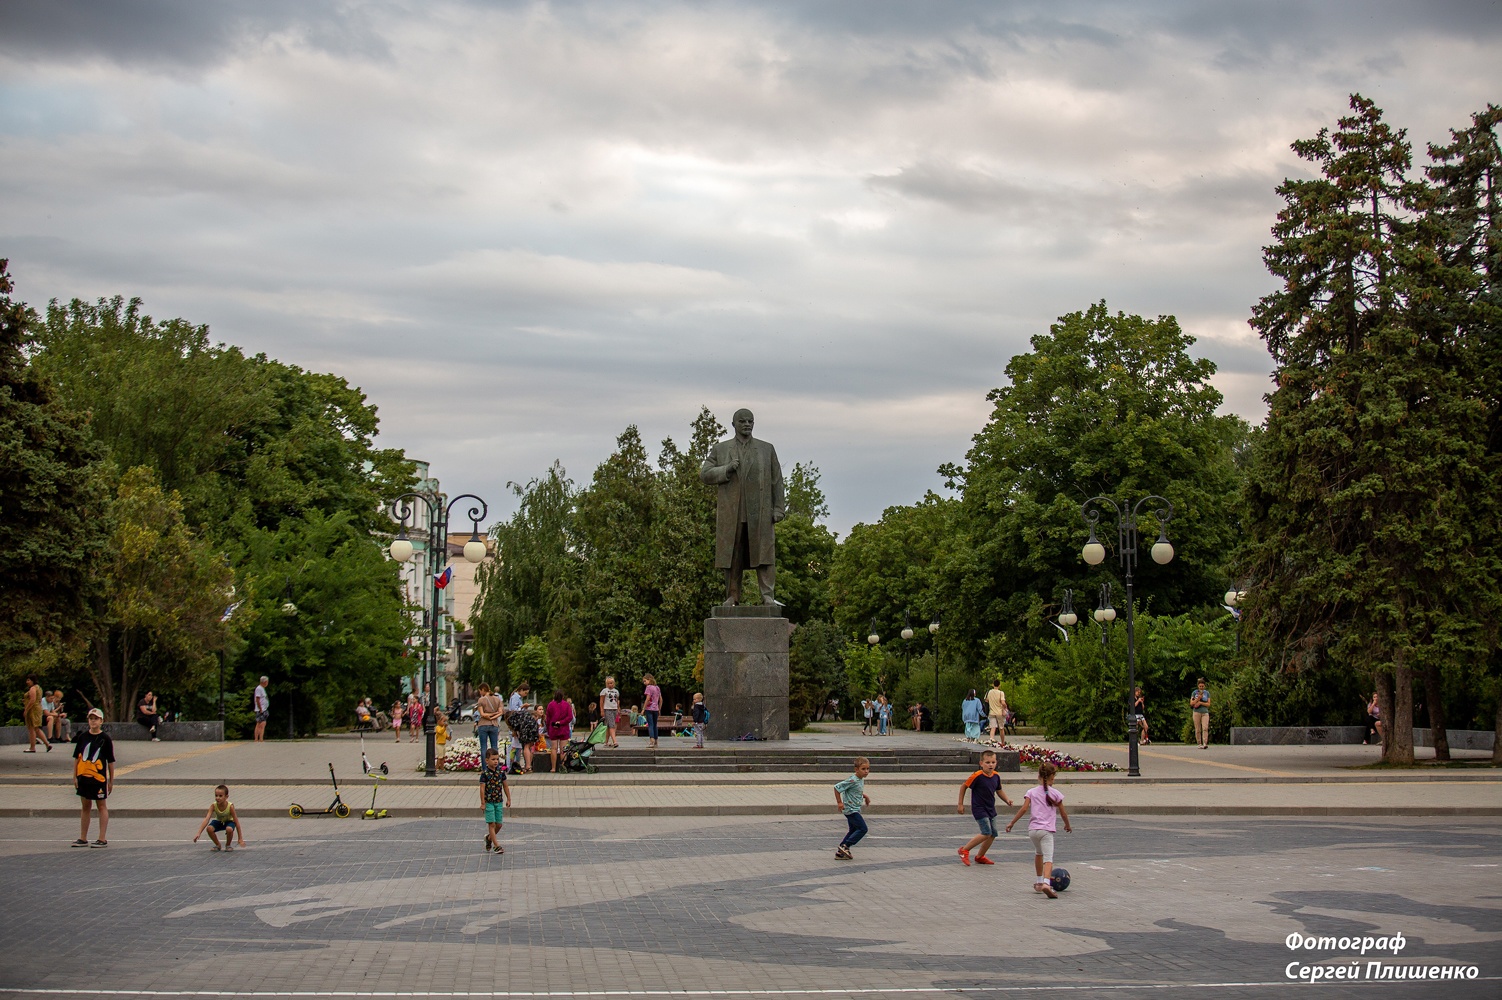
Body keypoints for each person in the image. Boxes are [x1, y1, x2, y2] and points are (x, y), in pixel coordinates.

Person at [699, 408, 786, 606]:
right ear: (734, 425)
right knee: (732, 555)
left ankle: (767, 596)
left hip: (761, 513)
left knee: (764, 554)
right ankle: (733, 595)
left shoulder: (766, 449)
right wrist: (726, 469)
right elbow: (705, 474)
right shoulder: (721, 449)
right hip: (732, 513)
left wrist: (778, 508)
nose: (747, 424)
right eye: (742, 421)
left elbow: (777, 481)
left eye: (750, 421)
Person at [1006, 761, 1071, 897]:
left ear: (1039, 776)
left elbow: (1023, 809)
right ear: (1050, 778)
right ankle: (1047, 883)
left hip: (1033, 831)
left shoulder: (1031, 792)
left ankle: (1039, 881)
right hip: (1046, 831)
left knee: (1038, 853)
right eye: (1053, 779)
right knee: (1048, 858)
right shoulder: (1056, 794)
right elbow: (1063, 813)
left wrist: (1012, 823)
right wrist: (1067, 825)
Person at [957, 750, 1013, 866]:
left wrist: (1007, 800)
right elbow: (964, 786)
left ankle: (980, 856)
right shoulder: (977, 776)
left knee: (993, 834)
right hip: (979, 809)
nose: (990, 765)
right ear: (981, 763)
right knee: (986, 832)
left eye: (993, 762)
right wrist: (960, 804)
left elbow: (999, 790)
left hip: (990, 809)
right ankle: (964, 850)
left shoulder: (996, 776)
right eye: (987, 762)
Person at [72, 708, 114, 847]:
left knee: (101, 805)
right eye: (91, 718)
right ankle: (83, 837)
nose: (93, 721)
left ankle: (102, 838)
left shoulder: (105, 739)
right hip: (84, 777)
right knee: (85, 806)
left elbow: (110, 761)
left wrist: (111, 780)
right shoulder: (83, 737)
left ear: (101, 721)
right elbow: (77, 758)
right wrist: (75, 776)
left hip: (99, 778)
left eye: (96, 718)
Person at [832, 757, 872, 860]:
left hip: (855, 808)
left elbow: (855, 791)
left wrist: (865, 796)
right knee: (863, 829)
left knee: (853, 830)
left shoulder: (860, 780)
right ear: (856, 769)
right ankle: (845, 846)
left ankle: (840, 853)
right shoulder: (852, 780)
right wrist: (839, 802)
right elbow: (837, 788)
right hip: (850, 810)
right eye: (863, 769)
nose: (866, 772)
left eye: (868, 769)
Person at [193, 784, 246, 851]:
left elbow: (236, 822)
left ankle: (228, 845)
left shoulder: (230, 807)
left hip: (229, 822)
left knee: (229, 829)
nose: (218, 798)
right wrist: (199, 833)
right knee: (209, 828)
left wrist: (240, 838)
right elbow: (207, 819)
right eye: (216, 795)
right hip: (219, 821)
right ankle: (218, 845)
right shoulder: (213, 806)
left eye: (220, 796)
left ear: (226, 797)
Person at [478, 747, 512, 853]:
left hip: (498, 801)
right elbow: (482, 789)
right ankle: (496, 845)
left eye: (497, 759)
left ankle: (489, 839)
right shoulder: (485, 774)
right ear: (487, 760)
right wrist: (483, 803)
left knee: (499, 825)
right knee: (491, 824)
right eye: (493, 759)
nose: (496, 761)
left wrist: (508, 799)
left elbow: (505, 786)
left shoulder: (501, 772)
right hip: (489, 802)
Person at [507, 701, 539, 774]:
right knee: (530, 746)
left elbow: (515, 727)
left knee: (526, 746)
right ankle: (529, 765)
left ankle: (527, 766)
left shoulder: (512, 717)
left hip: (526, 728)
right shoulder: (522, 713)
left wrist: (516, 732)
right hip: (533, 726)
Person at [544, 690, 573, 772]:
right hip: (563, 728)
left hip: (553, 729)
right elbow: (570, 717)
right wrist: (561, 722)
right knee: (563, 749)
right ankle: (563, 767)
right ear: (562, 696)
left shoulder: (550, 705)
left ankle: (553, 768)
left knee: (553, 749)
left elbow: (548, 719)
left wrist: (549, 728)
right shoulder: (566, 705)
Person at [23, 675, 51, 753]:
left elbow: (32, 700)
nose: (27, 682)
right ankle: (47, 744)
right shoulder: (38, 687)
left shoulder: (33, 688)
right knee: (36, 728)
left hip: (33, 710)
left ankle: (32, 747)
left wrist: (26, 709)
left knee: (31, 728)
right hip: (38, 708)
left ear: (32, 681)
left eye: (28, 680)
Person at [475, 683, 503, 759]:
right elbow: (500, 712)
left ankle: (485, 768)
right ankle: (495, 767)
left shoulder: (481, 699)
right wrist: (494, 716)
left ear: (483, 689)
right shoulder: (497, 699)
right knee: (494, 746)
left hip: (483, 724)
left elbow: (482, 714)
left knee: (483, 747)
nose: (480, 693)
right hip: (494, 724)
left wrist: (489, 717)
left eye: (480, 691)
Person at [599, 676, 621, 749]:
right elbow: (601, 701)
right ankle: (615, 741)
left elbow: (617, 700)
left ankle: (606, 741)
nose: (610, 685)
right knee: (612, 725)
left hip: (614, 709)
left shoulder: (616, 691)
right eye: (608, 683)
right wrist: (602, 710)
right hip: (607, 709)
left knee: (609, 725)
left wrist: (618, 708)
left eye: (611, 683)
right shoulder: (604, 691)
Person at [642, 674, 662, 748]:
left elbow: (648, 698)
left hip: (649, 708)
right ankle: (656, 741)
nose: (644, 683)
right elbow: (661, 699)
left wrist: (643, 708)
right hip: (656, 709)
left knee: (650, 725)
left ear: (649, 680)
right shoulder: (657, 688)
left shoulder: (649, 687)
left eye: (645, 681)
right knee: (655, 725)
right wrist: (659, 708)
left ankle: (651, 740)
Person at [1190, 678, 1211, 749]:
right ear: (1198, 686)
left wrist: (1201, 703)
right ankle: (1199, 743)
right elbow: (1191, 703)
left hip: (1205, 712)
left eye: (1202, 686)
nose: (1201, 687)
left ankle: (1205, 742)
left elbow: (1208, 704)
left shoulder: (1207, 693)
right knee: (1197, 728)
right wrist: (1197, 699)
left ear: (1204, 686)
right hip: (1196, 712)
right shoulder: (1194, 693)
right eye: (1200, 686)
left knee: (1205, 727)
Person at [252, 676, 270, 742]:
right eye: (267, 682)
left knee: (260, 723)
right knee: (262, 724)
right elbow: (257, 699)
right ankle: (260, 738)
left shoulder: (262, 688)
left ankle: (258, 738)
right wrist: (260, 709)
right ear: (265, 682)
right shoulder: (259, 688)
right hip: (261, 709)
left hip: (263, 708)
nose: (267, 683)